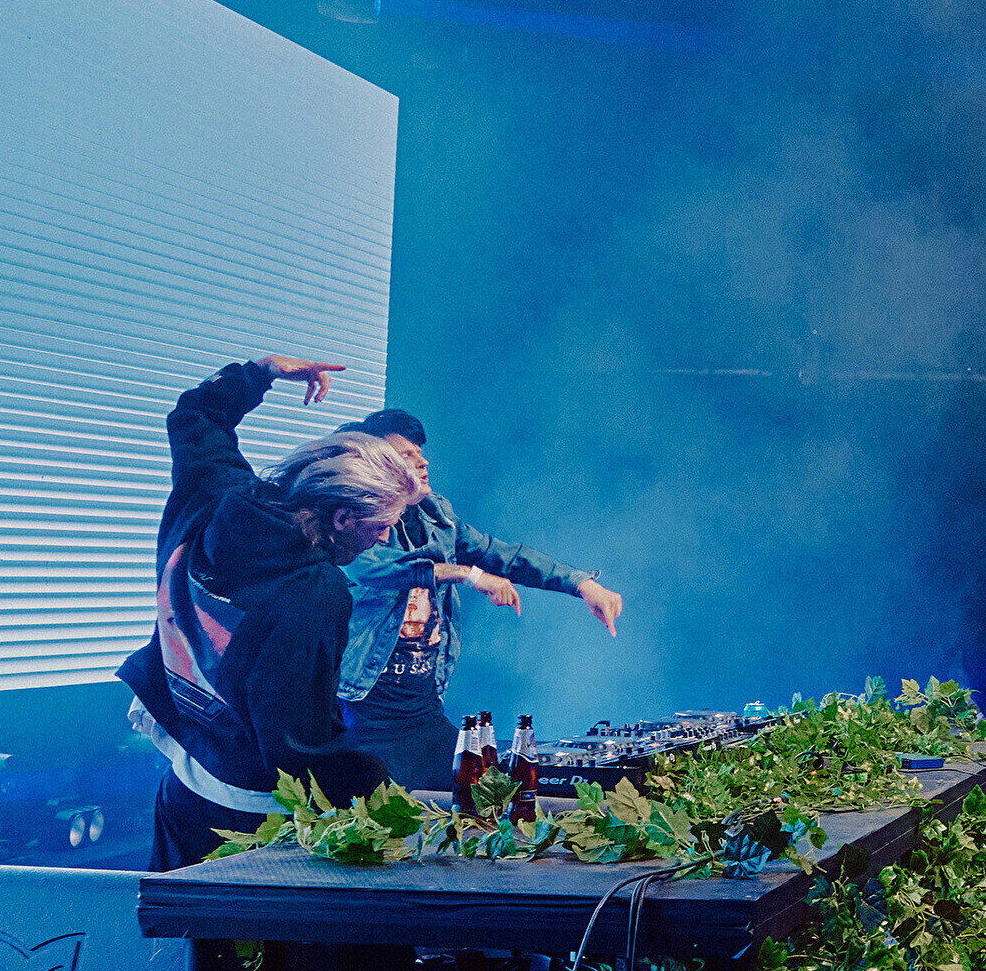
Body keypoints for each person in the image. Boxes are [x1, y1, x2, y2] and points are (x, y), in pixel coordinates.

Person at [120, 356, 425, 869]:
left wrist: (263, 370)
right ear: (343, 517)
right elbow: (296, 740)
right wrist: (379, 792)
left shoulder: (217, 491)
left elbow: (195, 416)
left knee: (173, 914)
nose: (385, 537)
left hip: (184, 768)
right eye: (382, 524)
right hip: (246, 808)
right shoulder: (315, 592)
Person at [332, 407, 625, 792]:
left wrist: (582, 584)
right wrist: (468, 574)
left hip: (423, 712)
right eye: (407, 455)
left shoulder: (436, 516)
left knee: (487, 799)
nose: (423, 462)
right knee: (383, 819)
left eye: (420, 452)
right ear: (377, 466)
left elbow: (503, 555)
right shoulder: (361, 523)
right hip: (367, 716)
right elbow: (377, 569)